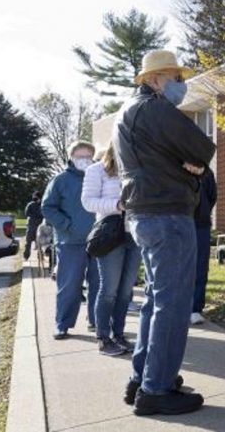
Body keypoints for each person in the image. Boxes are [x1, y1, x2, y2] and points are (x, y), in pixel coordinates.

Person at [113, 49, 215, 415]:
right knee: (172, 305)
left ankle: (144, 378)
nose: (181, 85)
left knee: (156, 302)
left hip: (145, 214)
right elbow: (203, 148)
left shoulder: (128, 113)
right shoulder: (155, 110)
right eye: (175, 77)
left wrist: (190, 162)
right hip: (168, 215)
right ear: (153, 79)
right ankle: (156, 390)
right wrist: (195, 165)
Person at [81, 143, 141, 357]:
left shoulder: (137, 168)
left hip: (134, 233)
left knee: (125, 292)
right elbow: (88, 202)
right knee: (109, 290)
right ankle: (103, 339)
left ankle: (119, 334)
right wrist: (118, 205)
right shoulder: (96, 170)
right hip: (110, 235)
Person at [42, 141, 100, 340]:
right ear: (72, 157)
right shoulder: (60, 180)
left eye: (88, 156)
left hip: (99, 241)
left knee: (99, 284)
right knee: (69, 286)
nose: (84, 160)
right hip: (70, 242)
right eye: (80, 156)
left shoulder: (100, 176)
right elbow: (48, 207)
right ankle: (62, 324)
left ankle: (96, 321)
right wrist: (66, 225)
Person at [191, 167, 216, 325]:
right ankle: (178, 307)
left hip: (201, 225)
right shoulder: (172, 165)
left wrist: (203, 210)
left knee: (200, 267)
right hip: (178, 223)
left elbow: (212, 196)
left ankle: (195, 309)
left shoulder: (206, 171)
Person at [23, 191, 43, 260]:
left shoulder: (41, 205)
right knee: (28, 242)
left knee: (39, 242)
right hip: (32, 225)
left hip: (37, 225)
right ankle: (26, 256)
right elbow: (27, 213)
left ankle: (40, 256)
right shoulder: (31, 204)